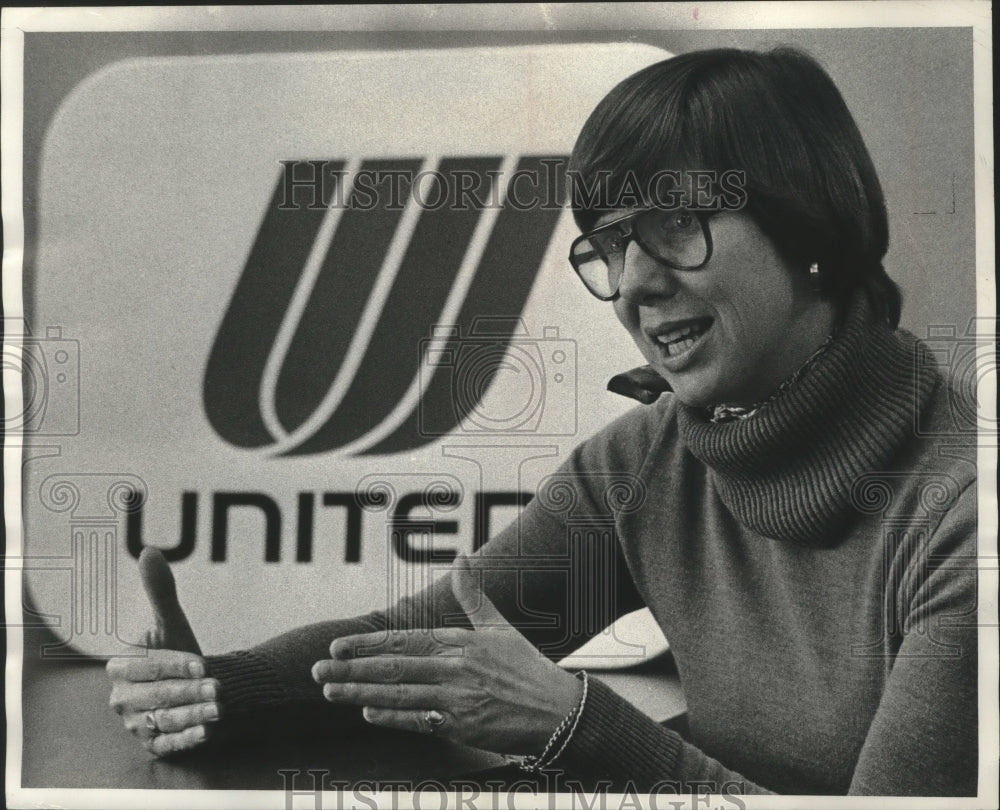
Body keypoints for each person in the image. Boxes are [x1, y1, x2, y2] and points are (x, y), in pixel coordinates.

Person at [106, 47, 978, 795]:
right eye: (607, 245)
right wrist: (219, 690)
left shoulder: (964, 514)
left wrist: (577, 730)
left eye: (675, 224)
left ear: (811, 226)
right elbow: (431, 638)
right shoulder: (650, 461)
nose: (633, 282)